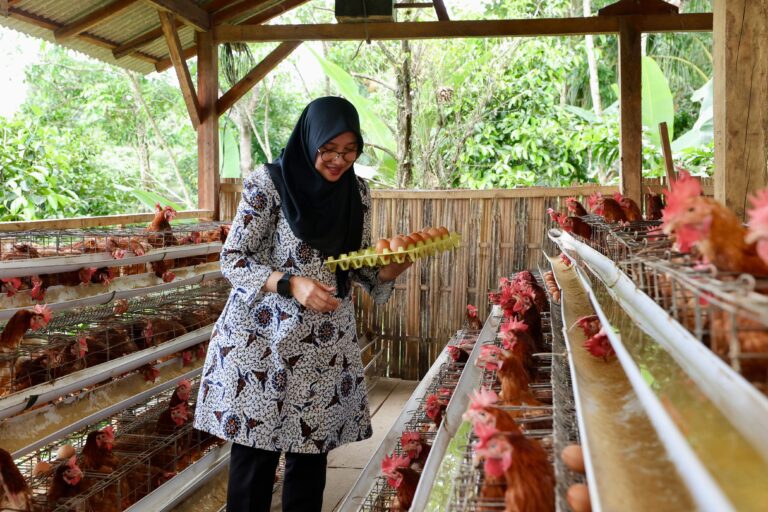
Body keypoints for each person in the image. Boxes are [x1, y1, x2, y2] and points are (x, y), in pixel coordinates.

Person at [194, 96, 411, 512]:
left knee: (309, 465)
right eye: (328, 150)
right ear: (310, 139)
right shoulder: (269, 184)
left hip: (321, 352)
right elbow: (233, 258)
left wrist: (391, 270)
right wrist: (290, 284)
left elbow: (357, 266)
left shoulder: (357, 193)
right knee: (254, 465)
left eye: (350, 152)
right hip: (263, 345)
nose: (339, 161)